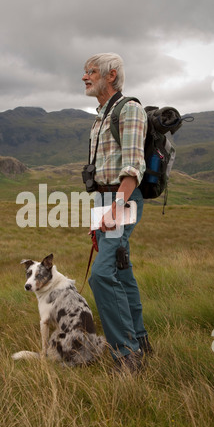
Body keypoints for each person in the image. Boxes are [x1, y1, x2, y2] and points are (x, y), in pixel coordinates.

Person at [82, 53, 152, 374]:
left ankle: (127, 356)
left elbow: (134, 164)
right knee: (121, 271)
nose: (85, 77)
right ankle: (141, 342)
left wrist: (116, 207)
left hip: (122, 199)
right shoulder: (100, 116)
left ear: (111, 76)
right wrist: (99, 216)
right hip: (106, 200)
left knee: (101, 275)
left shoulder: (130, 110)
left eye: (91, 72)